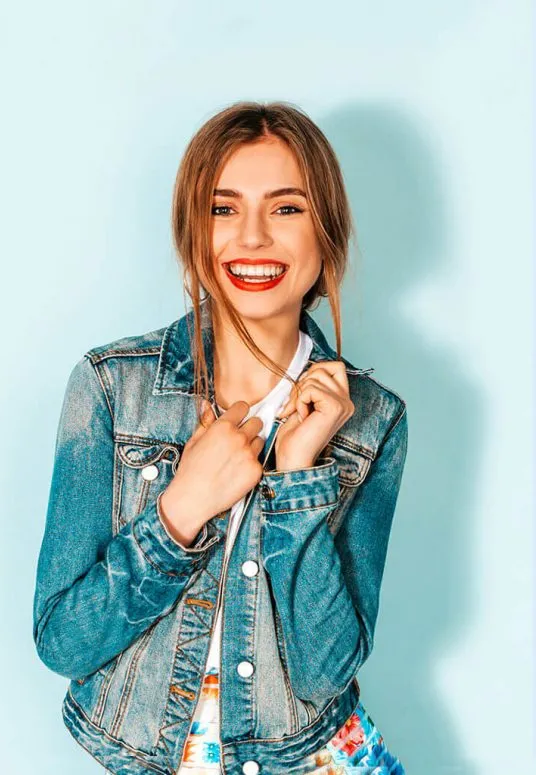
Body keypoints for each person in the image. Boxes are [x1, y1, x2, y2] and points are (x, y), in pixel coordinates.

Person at [33, 101, 408, 775]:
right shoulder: (112, 388)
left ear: (325, 232)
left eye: (286, 208)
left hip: (314, 758)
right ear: (193, 231)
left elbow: (324, 672)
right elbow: (64, 641)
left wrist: (298, 473)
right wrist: (182, 509)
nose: (253, 237)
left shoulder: (372, 419)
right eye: (223, 208)